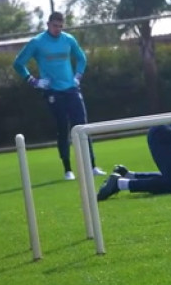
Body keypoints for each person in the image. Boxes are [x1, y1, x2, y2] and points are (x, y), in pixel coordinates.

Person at [13, 11, 106, 180]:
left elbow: (81, 58)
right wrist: (33, 81)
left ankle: (91, 166)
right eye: (55, 26)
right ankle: (68, 170)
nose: (58, 29)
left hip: (71, 89)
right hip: (53, 92)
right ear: (48, 24)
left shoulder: (68, 39)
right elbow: (18, 63)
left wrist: (78, 76)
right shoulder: (37, 42)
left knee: (83, 128)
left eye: (61, 26)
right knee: (63, 128)